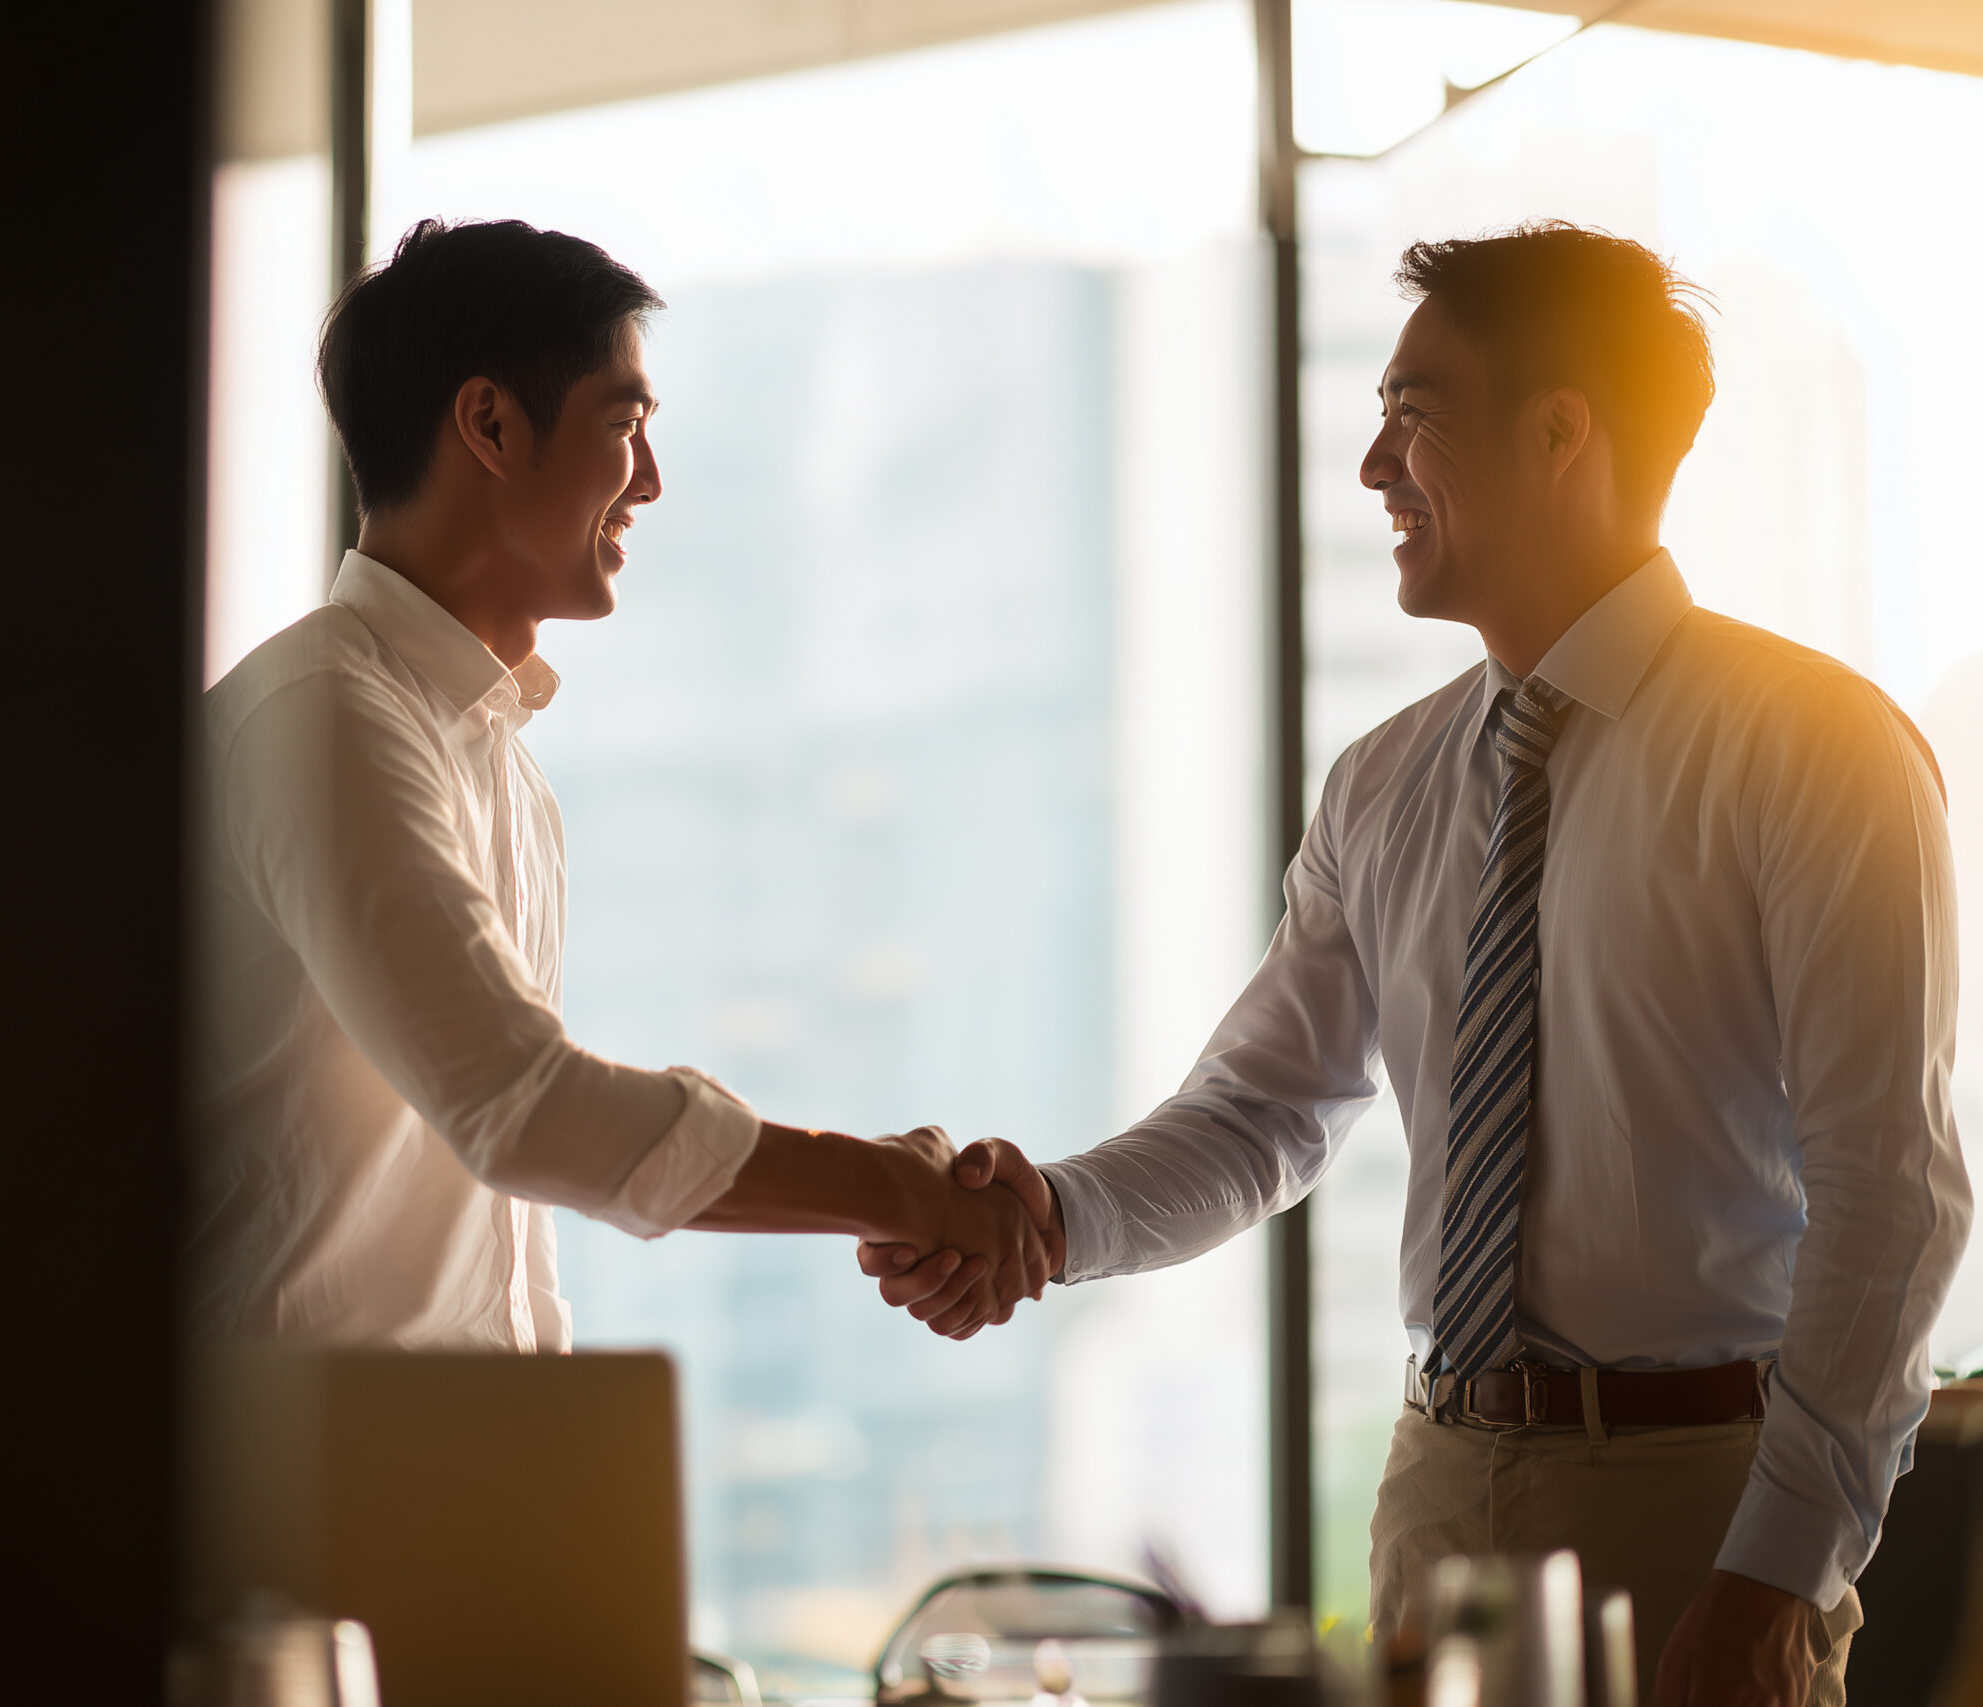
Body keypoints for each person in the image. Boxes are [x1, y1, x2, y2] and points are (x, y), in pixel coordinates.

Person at [861, 223, 1969, 1707]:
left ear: (1561, 432)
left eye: (1412, 418)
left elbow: (1890, 1189)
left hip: (1700, 1497)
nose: (1375, 469)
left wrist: (1778, 1562)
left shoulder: (1816, 750)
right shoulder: (1386, 781)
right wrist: (1050, 1214)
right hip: (1436, 1489)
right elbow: (1262, 1112)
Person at [192, 217, 1048, 1353]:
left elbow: (501, 1213)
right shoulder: (320, 716)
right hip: (289, 1490)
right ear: (490, 425)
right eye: (623, 423)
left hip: (430, 1475)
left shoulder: (497, 765)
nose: (649, 480)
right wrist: (898, 1192)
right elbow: (522, 1107)